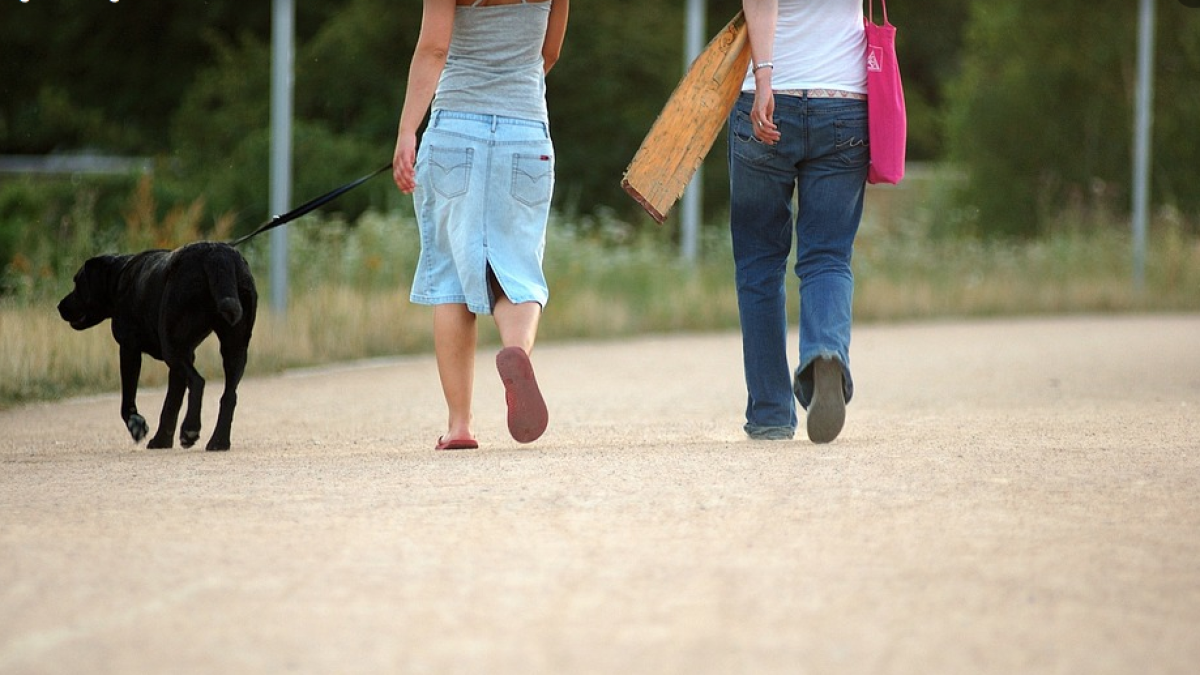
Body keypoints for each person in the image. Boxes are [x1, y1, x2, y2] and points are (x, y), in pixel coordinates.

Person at [393, 0, 569, 450]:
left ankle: (459, 425)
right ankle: (516, 350)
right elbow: (548, 54)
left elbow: (433, 50)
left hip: (455, 128)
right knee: (520, 269)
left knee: (452, 277)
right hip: (526, 130)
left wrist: (408, 131)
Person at [730, 0, 869, 443]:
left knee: (759, 262)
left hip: (770, 98)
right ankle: (825, 352)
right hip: (844, 101)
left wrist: (764, 76)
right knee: (828, 255)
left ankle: (770, 412)